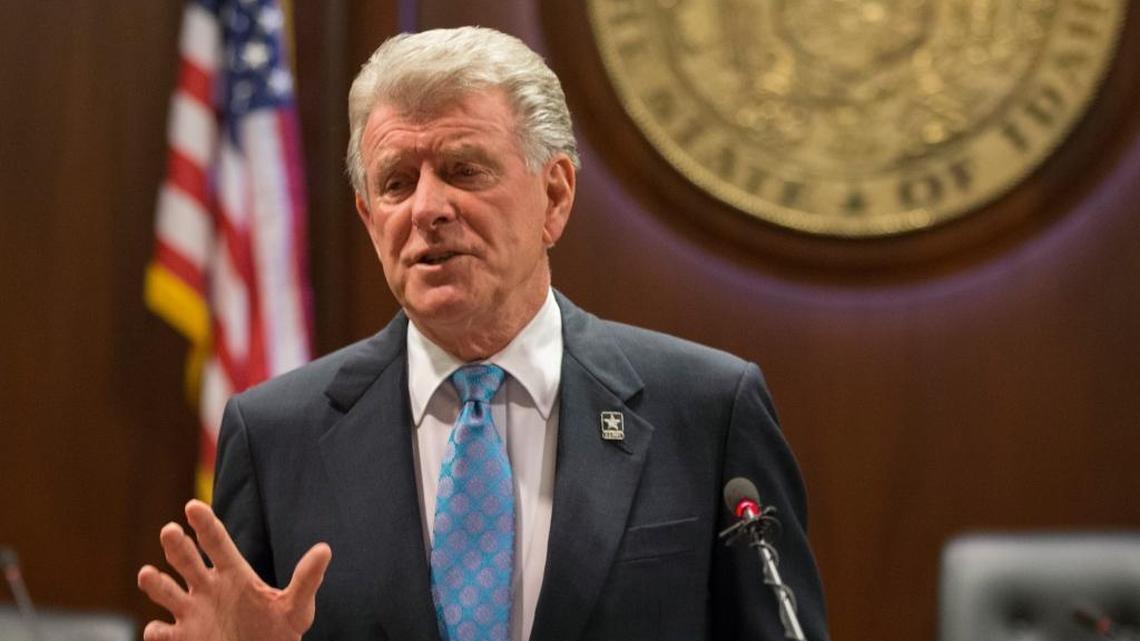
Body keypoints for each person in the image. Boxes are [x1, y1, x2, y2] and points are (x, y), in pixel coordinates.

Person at [137, 26, 829, 641]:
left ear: (554, 194)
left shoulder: (706, 411)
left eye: (464, 170)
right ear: (369, 216)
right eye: (397, 183)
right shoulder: (274, 435)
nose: (429, 208)